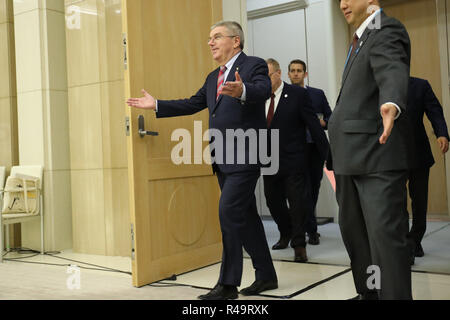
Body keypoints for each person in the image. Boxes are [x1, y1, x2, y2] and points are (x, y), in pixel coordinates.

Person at [127, 21, 278, 300]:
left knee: (228, 213)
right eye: (209, 38)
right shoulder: (213, 77)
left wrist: (243, 91)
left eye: (217, 37)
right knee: (246, 218)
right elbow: (193, 103)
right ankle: (266, 275)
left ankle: (228, 285)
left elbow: (262, 90)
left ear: (235, 41)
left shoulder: (253, 65)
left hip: (247, 154)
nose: (210, 42)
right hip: (222, 158)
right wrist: (157, 105)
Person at [327, 0, 413, 300]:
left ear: (372, 2)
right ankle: (370, 294)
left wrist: (392, 102)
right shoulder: (359, 39)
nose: (343, 4)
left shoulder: (385, 28)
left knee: (385, 243)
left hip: (376, 157)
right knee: (357, 239)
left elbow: (391, 67)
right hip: (349, 157)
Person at [263, 58, 329, 262]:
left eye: (267, 75)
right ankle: (286, 232)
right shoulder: (260, 97)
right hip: (268, 160)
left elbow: (314, 125)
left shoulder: (298, 94)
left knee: (298, 202)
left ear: (278, 73)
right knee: (273, 201)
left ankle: (299, 245)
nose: (264, 79)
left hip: (294, 159)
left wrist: (328, 154)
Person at [288, 59, 332, 245]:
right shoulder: (283, 96)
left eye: (299, 70)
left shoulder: (317, 94)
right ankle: (310, 229)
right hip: (292, 149)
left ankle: (308, 227)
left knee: (313, 188)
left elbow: (331, 118)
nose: (296, 73)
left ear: (305, 74)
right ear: (288, 74)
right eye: (293, 70)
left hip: (314, 148)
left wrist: (322, 123)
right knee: (298, 191)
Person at [406, 77, 449, 263]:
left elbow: (435, 111)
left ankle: (415, 240)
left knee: (419, 200)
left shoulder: (420, 85)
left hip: (418, 153)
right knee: (395, 203)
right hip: (388, 157)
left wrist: (442, 133)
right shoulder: (378, 85)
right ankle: (402, 245)